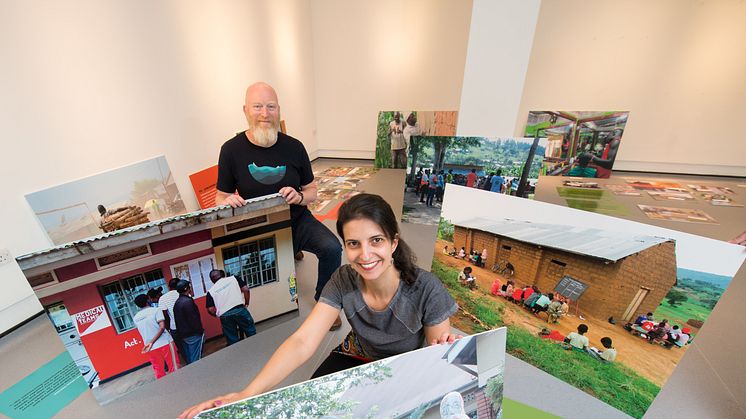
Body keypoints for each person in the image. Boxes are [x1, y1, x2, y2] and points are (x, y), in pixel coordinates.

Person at [179, 194, 459, 418]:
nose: (365, 255)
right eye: (353, 243)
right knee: (312, 407)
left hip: (401, 367)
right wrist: (248, 392)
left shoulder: (427, 288)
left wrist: (443, 350)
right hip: (356, 355)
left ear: (393, 243)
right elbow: (303, 341)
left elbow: (433, 356)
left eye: (376, 241)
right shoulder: (343, 279)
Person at [215, 82, 343, 330]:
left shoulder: (294, 146)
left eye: (271, 107)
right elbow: (220, 197)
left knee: (332, 248)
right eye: (258, 106)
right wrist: (227, 200)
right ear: (245, 110)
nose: (265, 113)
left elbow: (312, 191)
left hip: (297, 219)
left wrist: (299, 196)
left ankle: (324, 303)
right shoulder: (231, 150)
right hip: (258, 227)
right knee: (261, 272)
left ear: (279, 110)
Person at [205, 269, 257, 346]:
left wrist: (216, 315)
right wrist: (246, 303)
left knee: (232, 339)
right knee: (251, 332)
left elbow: (210, 309)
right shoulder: (234, 278)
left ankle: (238, 355)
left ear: (212, 280)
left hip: (225, 316)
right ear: (221, 275)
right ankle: (257, 348)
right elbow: (246, 289)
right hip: (240, 310)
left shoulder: (211, 291)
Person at [133, 294, 179, 379]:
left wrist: (150, 343)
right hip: (165, 342)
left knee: (158, 369)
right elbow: (162, 327)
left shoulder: (135, 318)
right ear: (147, 300)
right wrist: (152, 341)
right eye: (149, 298)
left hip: (150, 348)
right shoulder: (156, 310)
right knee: (174, 366)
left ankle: (165, 389)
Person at [173, 280, 204, 365]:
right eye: (189, 287)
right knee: (196, 358)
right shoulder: (187, 302)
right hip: (193, 334)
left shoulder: (177, 302)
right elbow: (193, 319)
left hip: (184, 335)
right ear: (186, 288)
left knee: (191, 357)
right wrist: (200, 331)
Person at [159, 278, 185, 359]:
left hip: (174, 327)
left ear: (169, 287)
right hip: (186, 324)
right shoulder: (183, 293)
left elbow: (165, 315)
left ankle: (188, 361)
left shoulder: (163, 298)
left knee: (181, 347)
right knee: (190, 344)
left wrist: (168, 328)